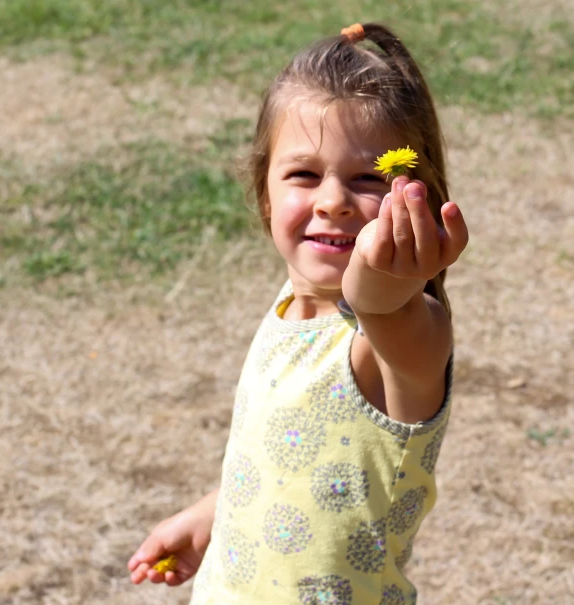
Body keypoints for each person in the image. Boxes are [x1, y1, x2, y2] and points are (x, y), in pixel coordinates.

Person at [127, 21, 468, 604]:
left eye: (368, 179)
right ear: (264, 191)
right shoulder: (289, 309)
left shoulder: (400, 338)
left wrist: (388, 280)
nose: (332, 200)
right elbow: (286, 459)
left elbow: (378, 302)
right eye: (304, 175)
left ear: (418, 199)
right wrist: (214, 515)